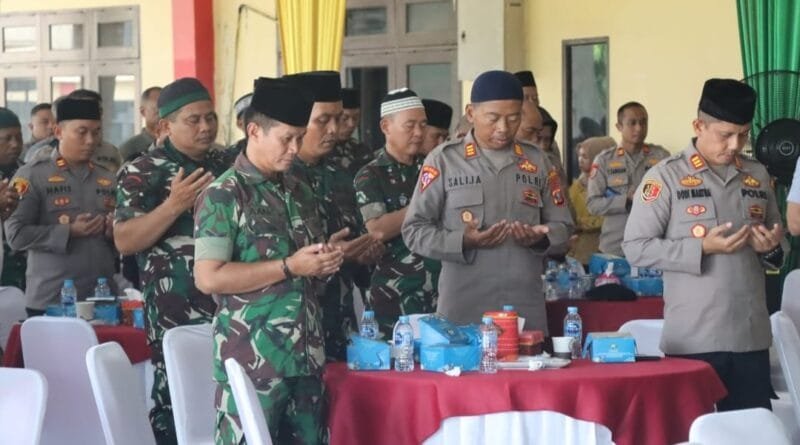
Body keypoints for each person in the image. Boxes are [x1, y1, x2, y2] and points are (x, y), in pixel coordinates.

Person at [194, 77, 342, 445]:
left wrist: (323, 260)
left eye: (300, 138)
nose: (295, 149)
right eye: (286, 138)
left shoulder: (299, 191)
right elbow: (209, 277)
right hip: (253, 362)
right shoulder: (225, 194)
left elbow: (305, 270)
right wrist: (289, 266)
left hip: (305, 361)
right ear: (254, 131)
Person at [623, 78, 786, 411]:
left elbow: (778, 247)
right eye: (725, 135)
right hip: (694, 338)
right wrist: (701, 248)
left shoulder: (756, 175)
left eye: (743, 135)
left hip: (750, 337)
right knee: (696, 429)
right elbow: (636, 247)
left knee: (750, 431)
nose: (735, 144)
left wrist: (769, 248)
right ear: (699, 126)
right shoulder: (665, 177)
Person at [402, 71, 573, 329]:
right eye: (493, 119)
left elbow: (564, 226)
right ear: (471, 113)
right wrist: (463, 241)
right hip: (464, 306)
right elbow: (414, 230)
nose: (503, 128)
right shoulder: (444, 160)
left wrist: (541, 238)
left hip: (523, 306)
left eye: (513, 118)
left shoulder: (538, 161)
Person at [115, 77, 227, 444]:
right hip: (174, 310)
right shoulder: (142, 170)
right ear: (166, 125)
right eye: (193, 120)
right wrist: (173, 205)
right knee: (176, 405)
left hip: (229, 305)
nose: (206, 127)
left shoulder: (227, 163)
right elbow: (125, 239)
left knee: (227, 399)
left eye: (210, 117)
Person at [283, 71, 383, 360]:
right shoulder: (275, 178)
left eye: (338, 119)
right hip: (289, 328)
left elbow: (352, 242)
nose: (334, 129)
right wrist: (329, 253)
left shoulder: (342, 173)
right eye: (323, 120)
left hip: (338, 321)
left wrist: (362, 254)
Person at [5, 99, 117, 317]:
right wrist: (69, 231)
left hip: (102, 300)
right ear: (58, 131)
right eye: (82, 132)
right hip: (52, 300)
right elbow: (15, 235)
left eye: (96, 132)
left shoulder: (108, 177)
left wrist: (114, 231)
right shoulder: (31, 175)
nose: (91, 140)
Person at [354, 88, 441, 337]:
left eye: (423, 125)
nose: (418, 133)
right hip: (393, 295)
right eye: (410, 125)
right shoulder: (370, 174)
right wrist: (425, 202)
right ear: (386, 126)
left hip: (438, 291)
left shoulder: (433, 168)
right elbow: (378, 229)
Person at [587, 102, 669, 256]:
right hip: (615, 247)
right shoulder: (604, 160)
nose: (639, 128)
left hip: (651, 246)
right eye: (632, 123)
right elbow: (593, 205)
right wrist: (626, 200)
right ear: (619, 126)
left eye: (643, 122)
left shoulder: (661, 157)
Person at [25, 90, 123, 173]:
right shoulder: (44, 155)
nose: (93, 114)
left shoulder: (110, 152)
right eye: (84, 109)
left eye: (99, 110)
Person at [567, 136, 615, 264]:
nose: (580, 160)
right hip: (578, 250)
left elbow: (611, 217)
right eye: (579, 156)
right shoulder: (577, 185)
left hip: (604, 248)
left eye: (585, 156)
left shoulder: (611, 185)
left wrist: (584, 224)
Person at [0, 108, 25, 289]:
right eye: (7, 138)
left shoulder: (29, 173)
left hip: (24, 269)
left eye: (19, 137)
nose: (15, 144)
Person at [330, 87, 374, 178]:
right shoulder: (320, 150)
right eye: (345, 118)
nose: (351, 124)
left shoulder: (362, 151)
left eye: (355, 118)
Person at [119, 86, 162, 162]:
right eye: (157, 110)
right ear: (143, 112)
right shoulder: (129, 149)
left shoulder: (178, 143)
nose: (163, 115)